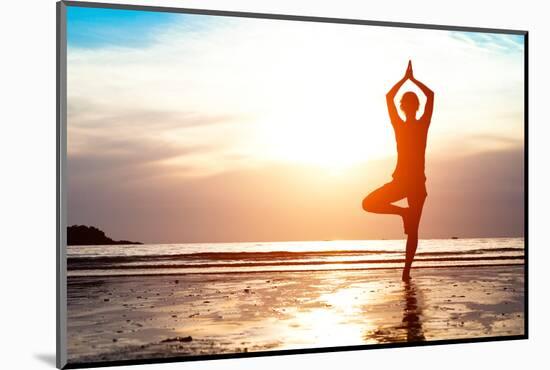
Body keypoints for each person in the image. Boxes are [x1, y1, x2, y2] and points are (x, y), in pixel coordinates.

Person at [362, 60, 434, 281]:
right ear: (413, 107)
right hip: (412, 184)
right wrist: (413, 80)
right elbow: (430, 96)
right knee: (412, 231)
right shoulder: (417, 124)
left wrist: (405, 80)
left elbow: (388, 98)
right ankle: (406, 272)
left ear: (404, 107)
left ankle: (406, 273)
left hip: (408, 183)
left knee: (369, 204)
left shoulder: (404, 125)